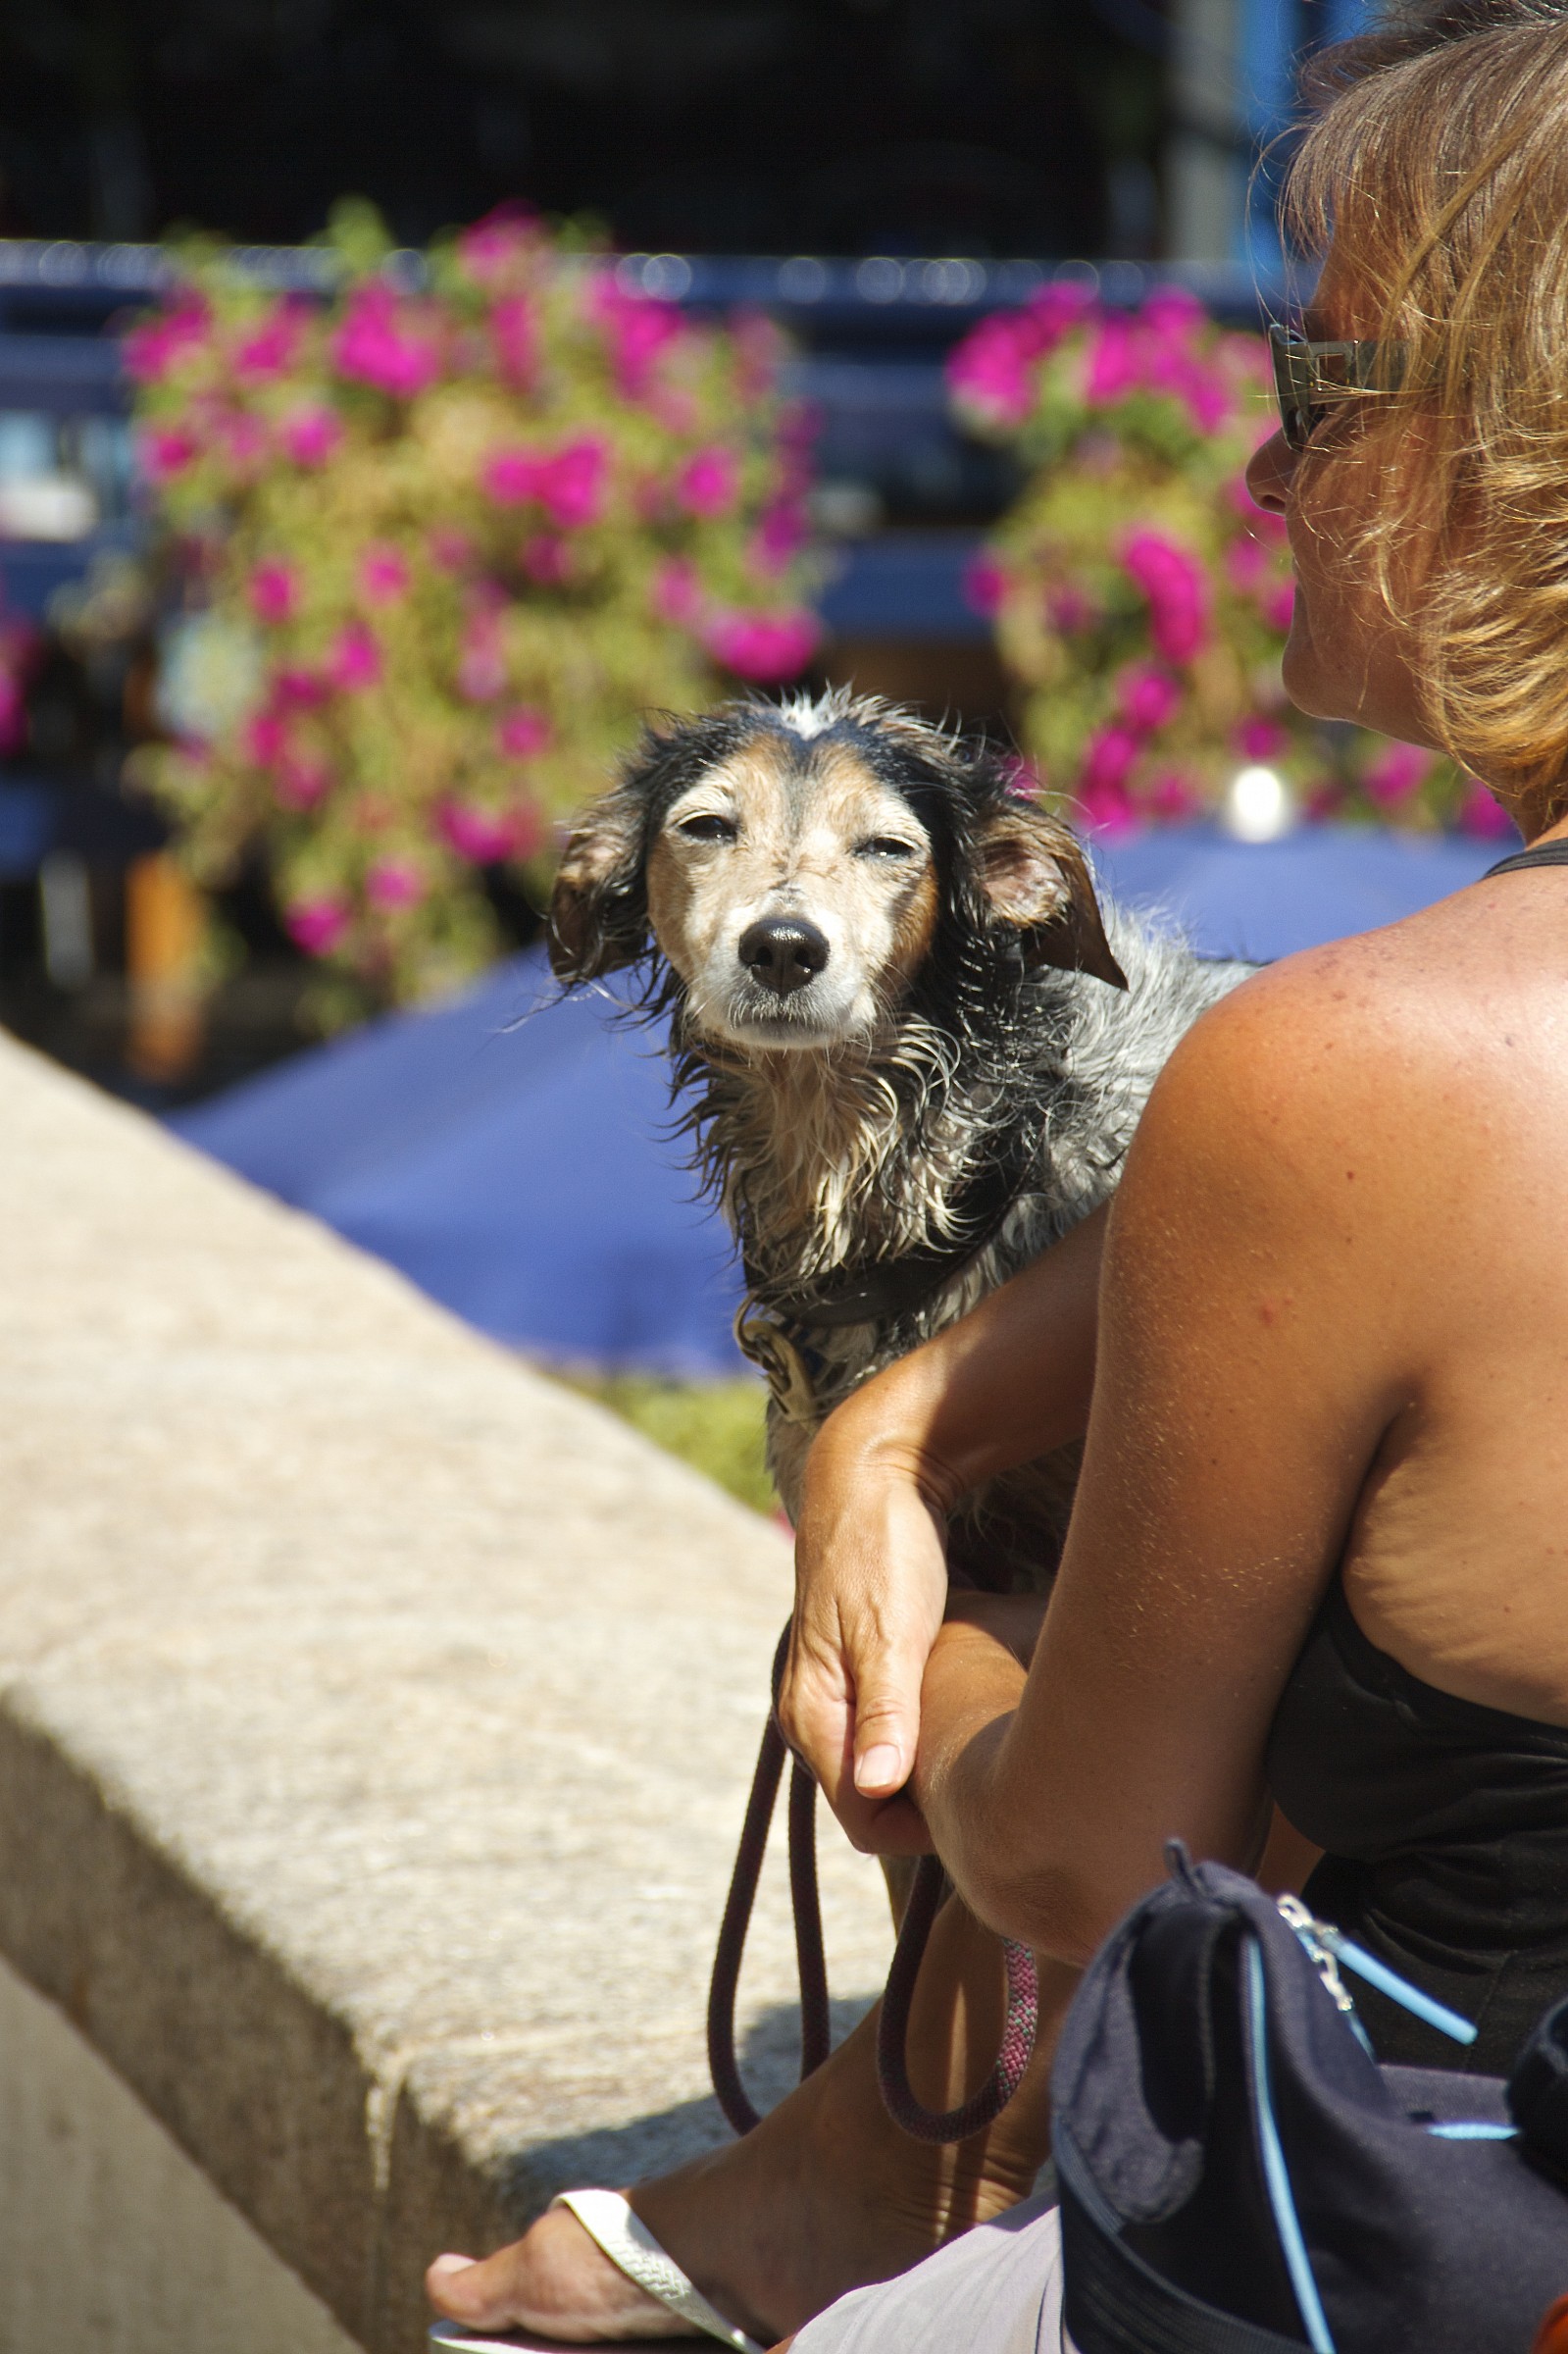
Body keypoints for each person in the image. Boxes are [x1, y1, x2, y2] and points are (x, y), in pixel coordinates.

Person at [427, 3, 1568, 2343]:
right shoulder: (1367, 1091)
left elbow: (1070, 1851)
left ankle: (839, 2187)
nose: (1260, 479)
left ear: (1520, 451)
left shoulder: (1351, 1067)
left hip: (1425, 2246)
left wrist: (930, 1662)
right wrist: (913, 1409)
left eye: (1316, 389)